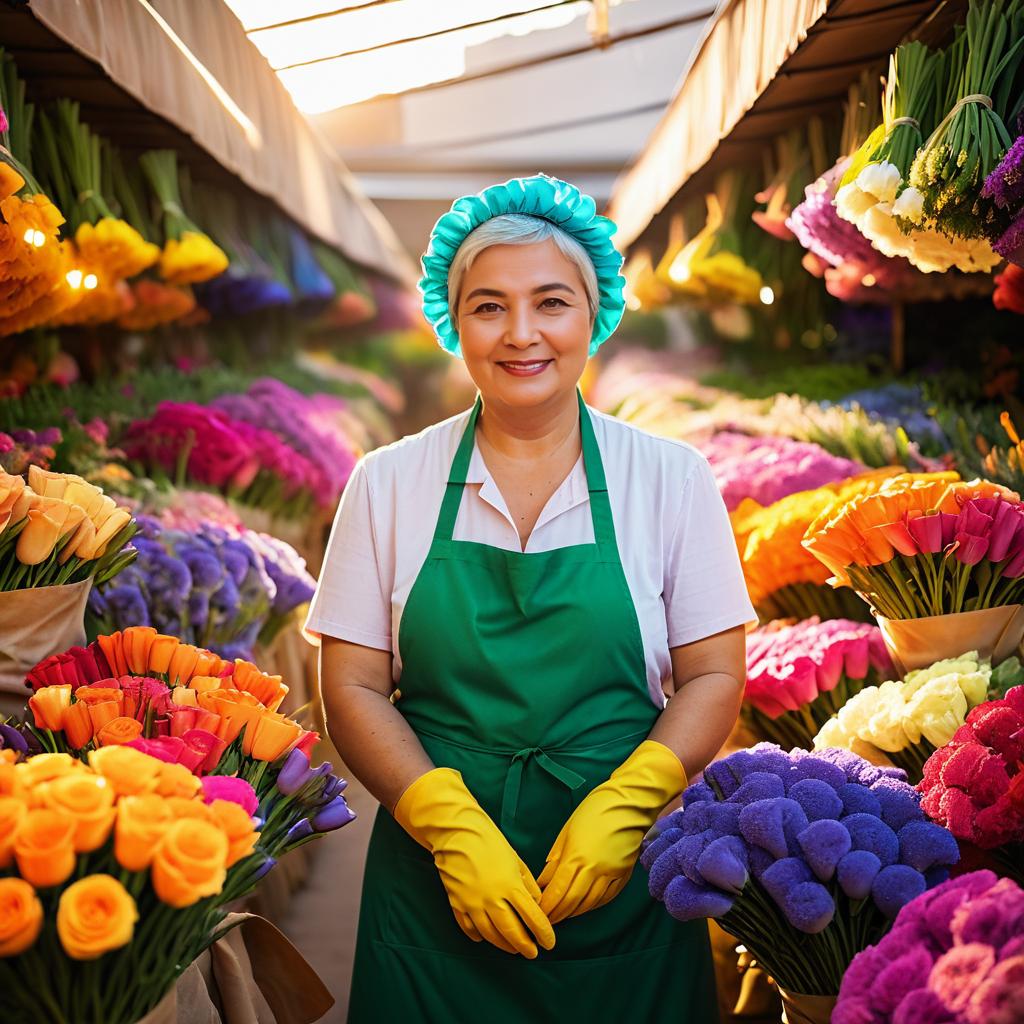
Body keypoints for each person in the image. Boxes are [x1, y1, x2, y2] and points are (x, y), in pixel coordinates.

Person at [305, 175, 757, 1023]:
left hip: (627, 879)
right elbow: (352, 686)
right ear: (452, 320)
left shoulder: (667, 477)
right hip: (434, 886)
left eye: (550, 302)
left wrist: (629, 805)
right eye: (488, 307)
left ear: (594, 315)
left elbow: (713, 675)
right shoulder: (389, 482)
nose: (521, 334)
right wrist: (448, 826)